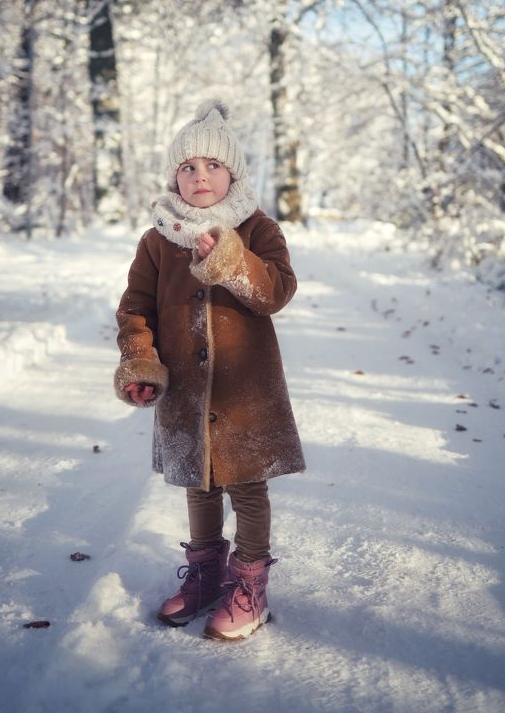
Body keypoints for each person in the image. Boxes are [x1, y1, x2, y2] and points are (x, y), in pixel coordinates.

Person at [113, 99, 305, 641]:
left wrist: (230, 258)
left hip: (244, 391)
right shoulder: (158, 240)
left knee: (246, 485)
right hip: (185, 391)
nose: (200, 176)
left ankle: (249, 585)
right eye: (188, 167)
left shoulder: (258, 228)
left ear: (232, 173)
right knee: (198, 485)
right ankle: (204, 575)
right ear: (174, 177)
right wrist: (140, 361)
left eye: (213, 165)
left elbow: (275, 292)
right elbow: (136, 308)